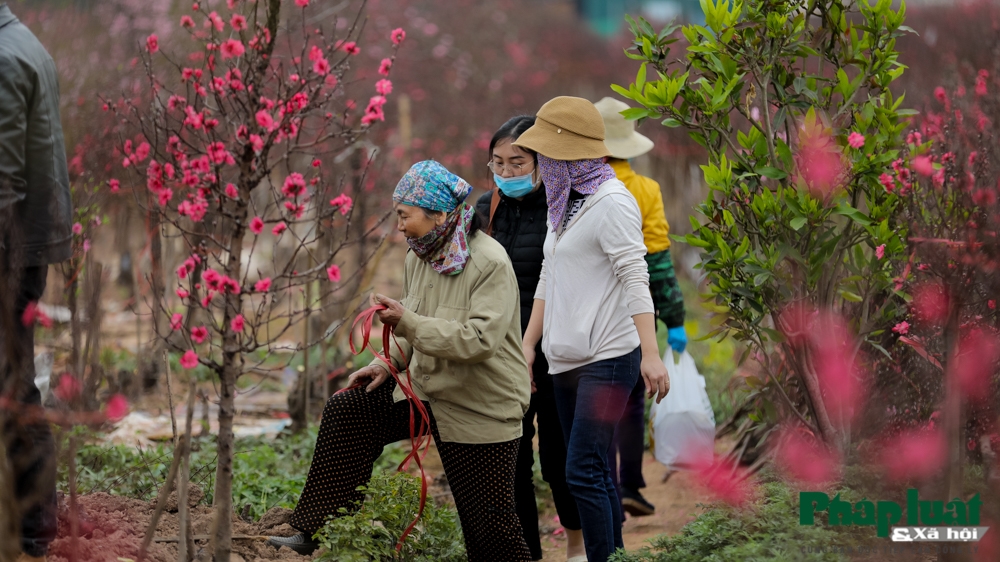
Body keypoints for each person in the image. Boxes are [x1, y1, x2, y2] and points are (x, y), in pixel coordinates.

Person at [268, 160, 532, 561]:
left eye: (405, 216)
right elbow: (416, 316)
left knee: (491, 530)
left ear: (439, 214)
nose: (400, 226)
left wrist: (407, 321)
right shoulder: (420, 254)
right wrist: (387, 363)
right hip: (428, 387)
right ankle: (316, 529)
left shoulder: (488, 262)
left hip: (480, 403)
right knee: (351, 410)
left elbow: (479, 340)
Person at [516, 97, 670, 562]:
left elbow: (634, 274)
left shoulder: (612, 203)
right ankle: (616, 555)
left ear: (567, 155)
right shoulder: (565, 204)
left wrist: (651, 353)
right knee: (593, 469)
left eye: (544, 154)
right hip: (565, 359)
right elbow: (549, 272)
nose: (539, 163)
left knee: (580, 468)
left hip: (609, 356)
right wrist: (528, 344)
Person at [475, 116, 585, 561]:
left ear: (541, 163)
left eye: (518, 162)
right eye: (498, 162)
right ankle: (526, 554)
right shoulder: (485, 209)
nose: (507, 171)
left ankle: (577, 547)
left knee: (560, 457)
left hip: (557, 353)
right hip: (502, 355)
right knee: (512, 460)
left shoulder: (565, 207)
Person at [0, 3, 73, 560]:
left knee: (13, 381)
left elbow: (4, 175)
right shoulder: (26, 42)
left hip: (11, 243)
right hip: (28, 240)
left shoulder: (4, 56)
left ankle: (31, 526)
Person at [594, 97, 687, 518]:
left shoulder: (575, 189)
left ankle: (606, 489)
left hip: (589, 314)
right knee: (630, 401)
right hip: (635, 312)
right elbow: (658, 262)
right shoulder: (645, 190)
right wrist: (675, 320)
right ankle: (629, 483)